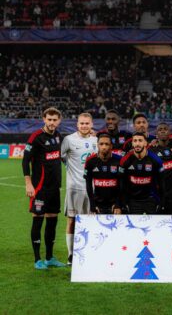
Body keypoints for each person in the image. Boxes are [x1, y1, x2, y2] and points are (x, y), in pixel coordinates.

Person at [23, 107, 66, 269]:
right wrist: (28, 183)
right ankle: (37, 259)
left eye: (55, 120)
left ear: (59, 121)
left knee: (52, 221)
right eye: (49, 119)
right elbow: (25, 161)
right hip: (39, 188)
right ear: (44, 119)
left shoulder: (58, 136)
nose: (52, 122)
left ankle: (49, 257)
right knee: (38, 220)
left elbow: (61, 157)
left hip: (54, 188)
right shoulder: (36, 137)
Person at [61, 113, 98, 265]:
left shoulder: (96, 140)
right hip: (74, 188)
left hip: (92, 189)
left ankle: (88, 252)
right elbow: (61, 156)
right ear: (77, 124)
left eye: (87, 123)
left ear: (91, 124)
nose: (84, 126)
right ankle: (71, 255)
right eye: (81, 123)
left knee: (91, 220)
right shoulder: (69, 140)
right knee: (72, 220)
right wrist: (69, 167)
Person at [119, 132, 164, 214]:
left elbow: (161, 183)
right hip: (133, 200)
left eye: (140, 140)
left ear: (145, 143)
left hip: (151, 199)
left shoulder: (156, 160)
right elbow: (122, 183)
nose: (137, 143)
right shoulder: (125, 161)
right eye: (135, 141)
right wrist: (123, 202)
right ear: (132, 143)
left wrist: (161, 201)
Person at [149, 123, 172, 214]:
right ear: (156, 134)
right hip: (158, 193)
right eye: (160, 129)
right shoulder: (151, 150)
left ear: (170, 132)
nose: (163, 130)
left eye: (165, 129)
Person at [84, 133, 122, 215]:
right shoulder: (90, 161)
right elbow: (88, 184)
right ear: (97, 145)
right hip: (98, 205)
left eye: (106, 144)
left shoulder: (119, 161)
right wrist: (92, 204)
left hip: (115, 205)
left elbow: (122, 184)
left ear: (111, 146)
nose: (104, 147)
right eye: (101, 144)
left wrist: (118, 204)